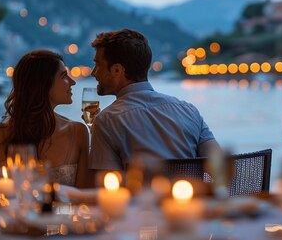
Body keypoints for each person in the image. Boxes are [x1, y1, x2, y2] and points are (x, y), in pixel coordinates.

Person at [88, 28, 220, 171]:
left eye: (97, 64)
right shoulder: (189, 111)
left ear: (117, 70)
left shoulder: (106, 122)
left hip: (140, 193)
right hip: (192, 193)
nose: (93, 73)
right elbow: (220, 169)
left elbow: (106, 187)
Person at [0, 50, 92, 188]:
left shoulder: (78, 133)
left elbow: (83, 198)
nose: (73, 82)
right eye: (64, 76)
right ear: (42, 84)